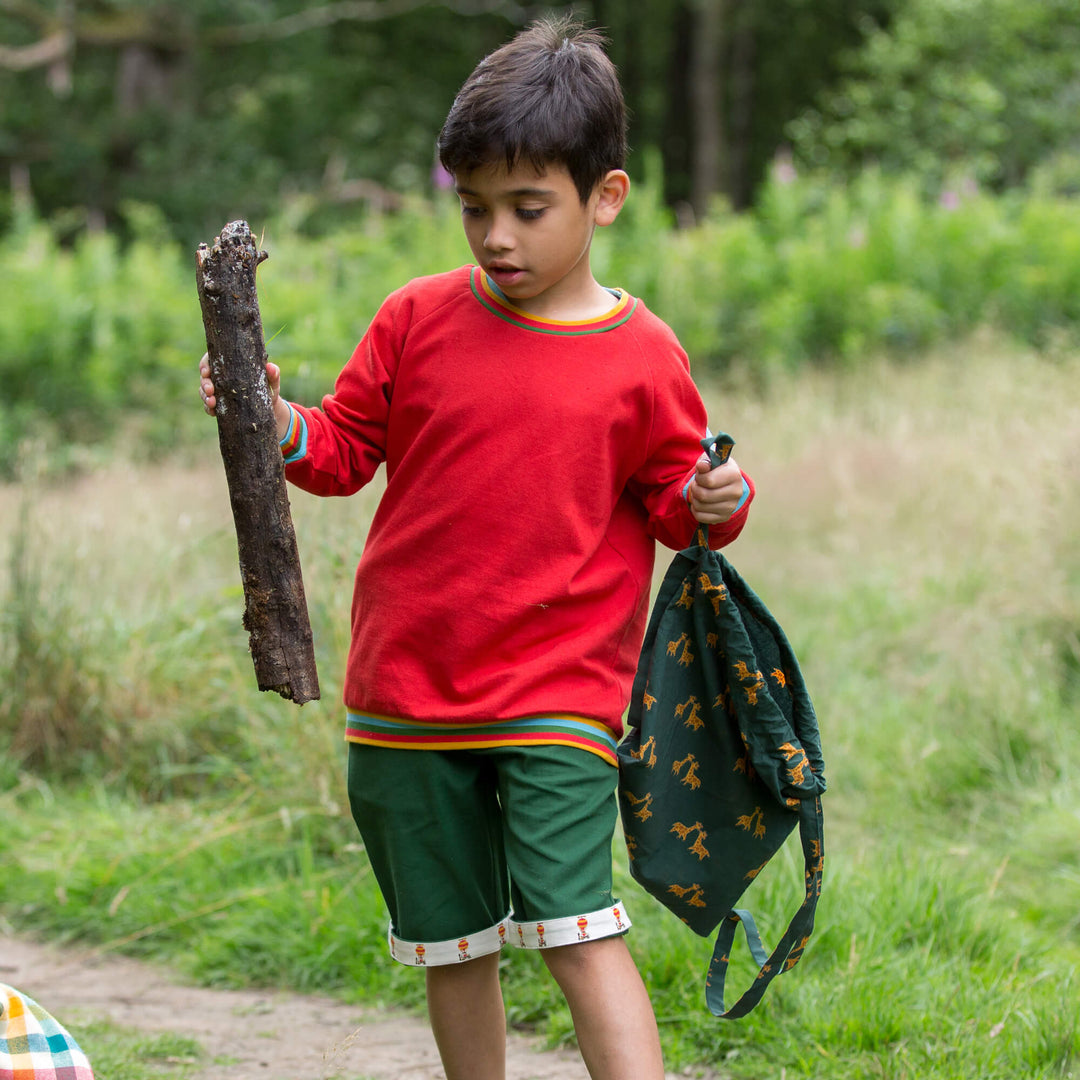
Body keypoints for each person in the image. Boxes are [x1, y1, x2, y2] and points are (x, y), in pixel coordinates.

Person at [199, 16, 754, 1080]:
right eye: (474, 206)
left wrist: (719, 496)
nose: (496, 236)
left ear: (605, 197)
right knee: (452, 947)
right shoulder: (414, 320)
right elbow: (344, 451)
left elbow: (683, 514)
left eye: (527, 208)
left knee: (576, 927)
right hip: (406, 692)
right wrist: (270, 425)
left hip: (560, 698)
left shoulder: (644, 358)